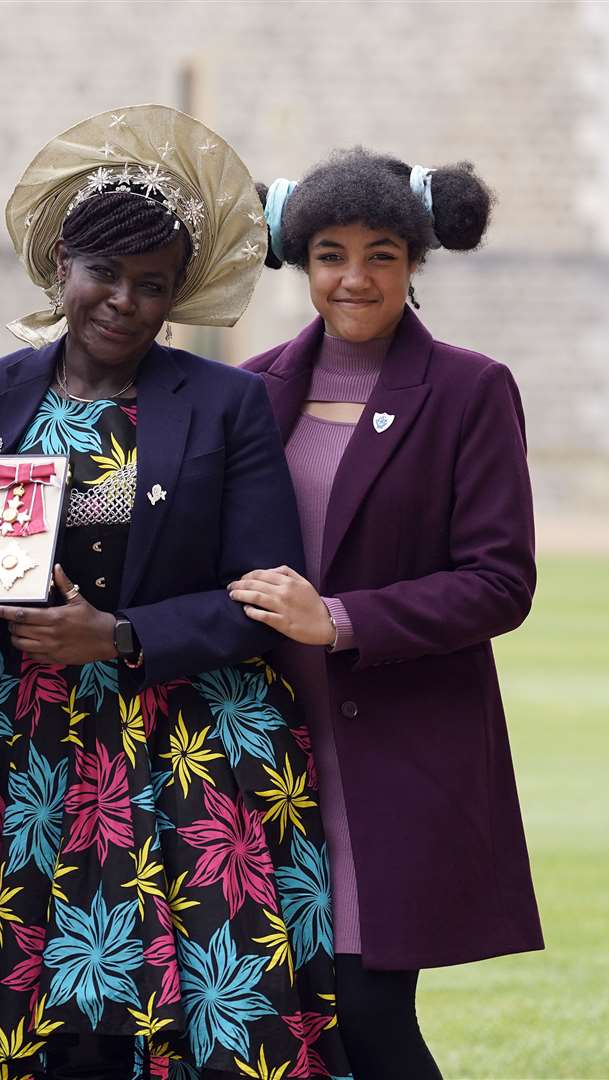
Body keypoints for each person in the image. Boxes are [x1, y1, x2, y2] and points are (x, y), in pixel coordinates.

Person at [0, 105, 350, 1080]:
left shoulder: (225, 404)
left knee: (178, 1018)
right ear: (59, 263)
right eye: (104, 274)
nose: (124, 303)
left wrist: (119, 635)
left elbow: (265, 595)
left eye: (153, 286)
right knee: (18, 1007)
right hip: (15, 752)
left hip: (185, 744)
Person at [231, 149, 541, 1079]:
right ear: (301, 262)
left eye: (381, 255)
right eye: (330, 254)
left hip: (393, 751)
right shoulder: (252, 387)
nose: (354, 278)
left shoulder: (469, 390)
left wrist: (341, 619)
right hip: (262, 750)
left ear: (415, 263)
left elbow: (500, 582)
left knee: (369, 1014)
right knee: (287, 1022)